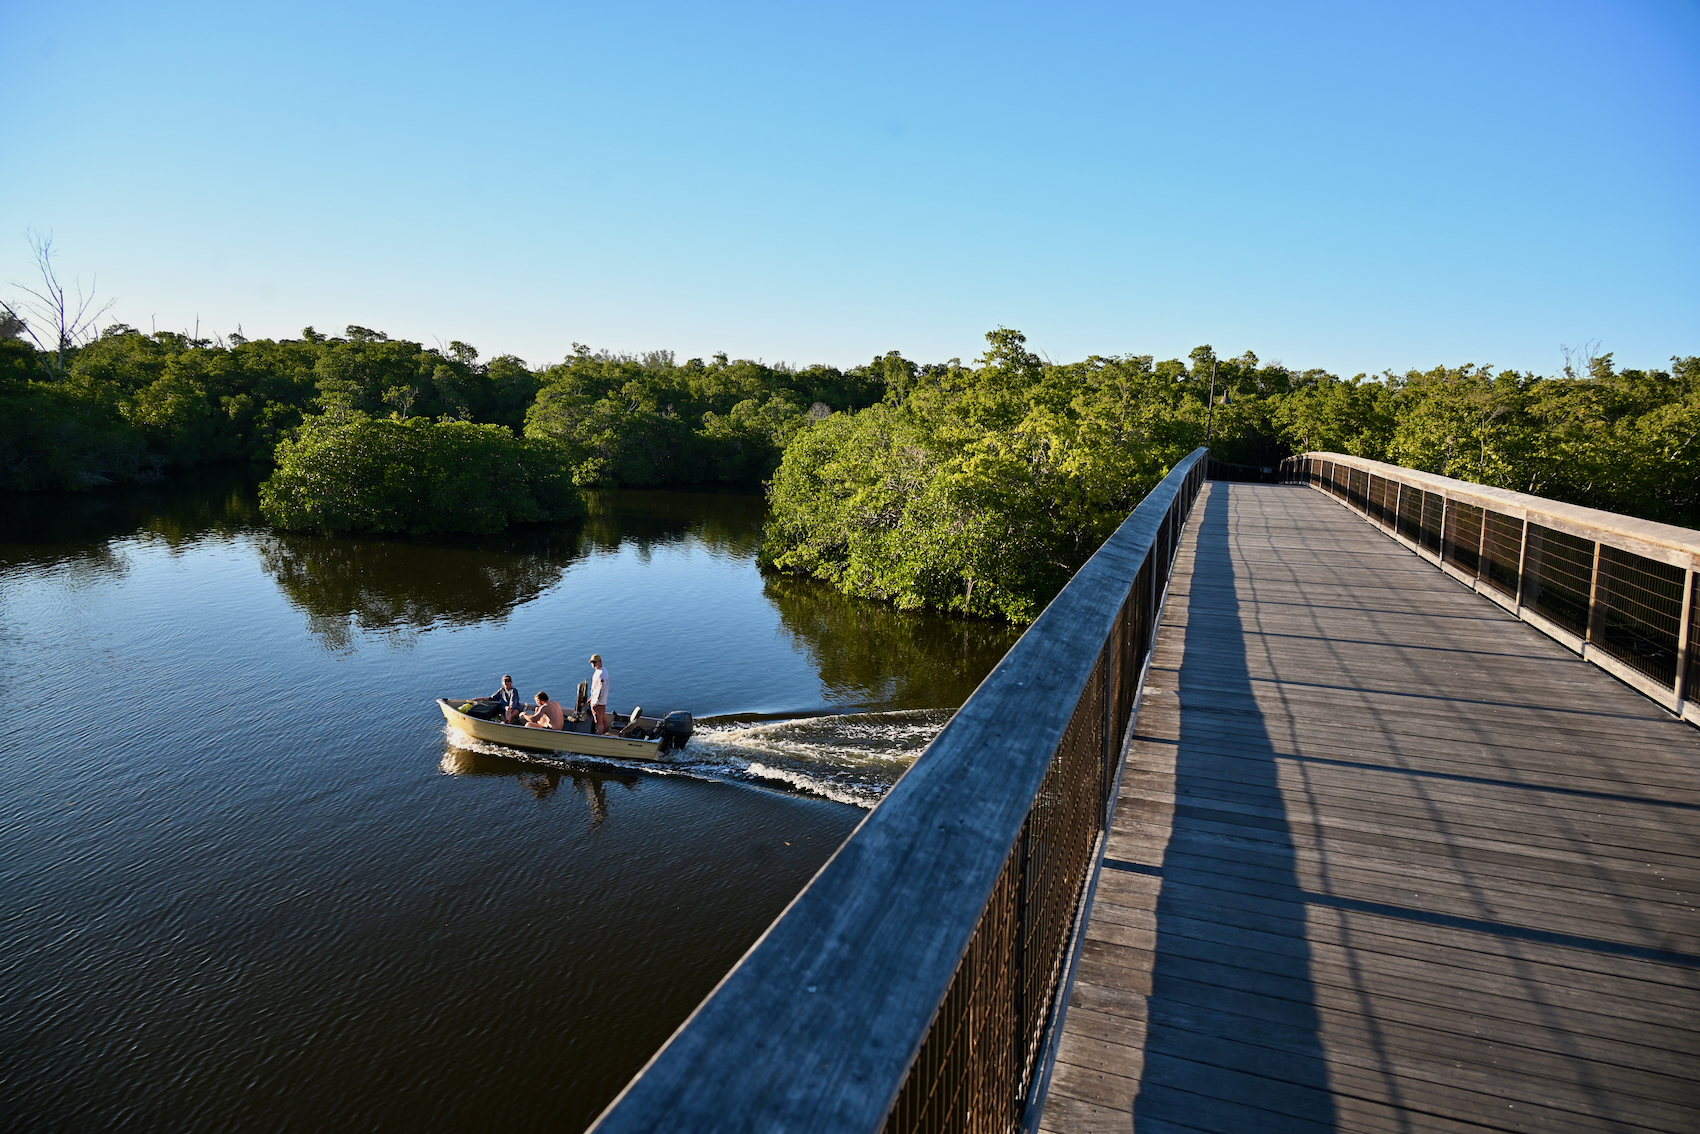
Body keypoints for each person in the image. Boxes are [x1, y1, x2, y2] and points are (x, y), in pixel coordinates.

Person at [588, 654, 610, 735]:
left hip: (598, 702)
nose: (593, 664)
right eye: (592, 662)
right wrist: (591, 697)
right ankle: (606, 733)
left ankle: (599, 736)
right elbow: (596, 688)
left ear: (600, 661)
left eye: (595, 662)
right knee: (603, 719)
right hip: (600, 701)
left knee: (598, 722)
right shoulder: (600, 671)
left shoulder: (601, 674)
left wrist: (597, 701)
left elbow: (602, 688)